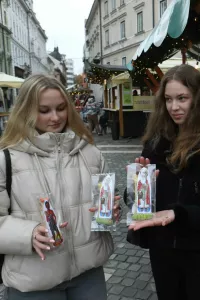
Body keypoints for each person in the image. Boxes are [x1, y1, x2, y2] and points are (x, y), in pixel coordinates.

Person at [126, 64, 200, 300]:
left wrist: (179, 214)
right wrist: (138, 186)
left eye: (182, 98)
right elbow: (138, 205)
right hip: (163, 254)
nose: (174, 107)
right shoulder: (156, 142)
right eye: (168, 99)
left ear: (199, 99)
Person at [0, 75, 120, 300]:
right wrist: (28, 234)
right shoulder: (6, 159)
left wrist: (112, 211)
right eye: (44, 110)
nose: (55, 117)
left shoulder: (91, 153)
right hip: (34, 280)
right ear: (26, 110)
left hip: (88, 275)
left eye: (61, 108)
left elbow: (105, 212)